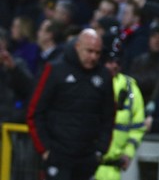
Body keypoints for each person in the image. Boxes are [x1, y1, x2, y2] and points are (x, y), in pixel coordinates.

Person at [27, 29, 115, 180]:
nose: (93, 57)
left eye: (97, 53)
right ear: (77, 46)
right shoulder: (54, 70)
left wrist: (100, 150)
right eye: (89, 51)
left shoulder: (104, 76)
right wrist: (44, 149)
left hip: (87, 158)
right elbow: (35, 112)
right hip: (57, 155)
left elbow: (108, 117)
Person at [94, 35, 146, 180]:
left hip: (114, 172)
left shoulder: (130, 88)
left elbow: (137, 127)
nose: (114, 65)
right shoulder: (91, 83)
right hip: (88, 168)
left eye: (117, 61)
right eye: (109, 61)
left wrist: (128, 153)